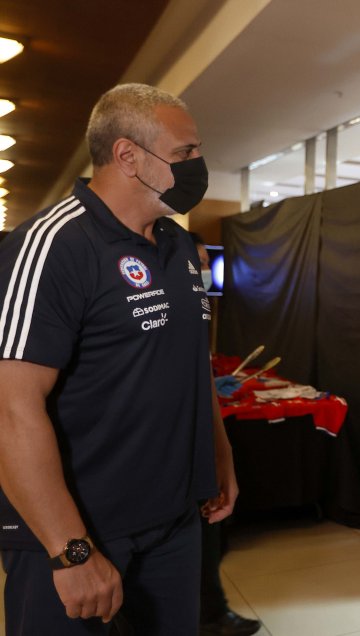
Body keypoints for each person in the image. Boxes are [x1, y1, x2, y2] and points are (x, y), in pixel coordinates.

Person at [0, 83, 238, 634]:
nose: (198, 164)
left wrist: (218, 455)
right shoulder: (51, 246)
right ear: (128, 155)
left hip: (173, 525)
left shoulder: (178, 247)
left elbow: (190, 365)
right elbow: (12, 410)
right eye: (185, 153)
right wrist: (70, 550)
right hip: (76, 533)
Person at [190, 232, 261, 636]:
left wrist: (223, 457)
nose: (201, 272)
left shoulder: (198, 314)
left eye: (203, 263)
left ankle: (212, 614)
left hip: (199, 452)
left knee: (210, 541)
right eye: (196, 263)